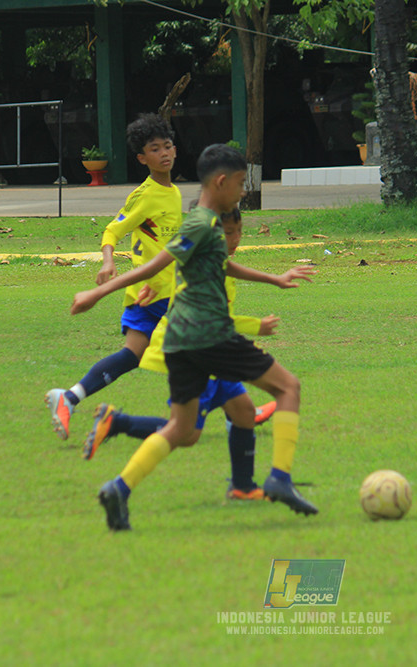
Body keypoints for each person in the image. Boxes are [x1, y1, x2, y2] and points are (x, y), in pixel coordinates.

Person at [70, 143, 318, 531]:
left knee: (183, 430)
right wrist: (97, 293)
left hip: (180, 341)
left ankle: (119, 487)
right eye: (239, 184)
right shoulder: (201, 223)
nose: (241, 192)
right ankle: (279, 479)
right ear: (220, 182)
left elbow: (223, 263)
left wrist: (274, 278)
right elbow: (157, 263)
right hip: (209, 334)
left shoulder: (210, 224)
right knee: (288, 388)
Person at [82, 208, 278, 501]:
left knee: (243, 411)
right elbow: (213, 319)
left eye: (239, 232)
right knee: (186, 433)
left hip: (209, 348)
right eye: (227, 233)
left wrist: (154, 286)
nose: (235, 239)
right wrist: (256, 326)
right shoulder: (208, 269)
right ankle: (118, 427)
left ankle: (243, 487)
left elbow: (169, 272)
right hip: (200, 352)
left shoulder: (202, 260)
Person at [45, 113, 181, 439]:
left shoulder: (174, 192)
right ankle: (238, 411)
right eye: (154, 149)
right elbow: (112, 229)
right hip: (151, 296)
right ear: (141, 158)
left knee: (132, 357)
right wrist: (108, 262)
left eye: (168, 146)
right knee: (204, 347)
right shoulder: (145, 195)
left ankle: (70, 397)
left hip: (167, 293)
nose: (164, 153)